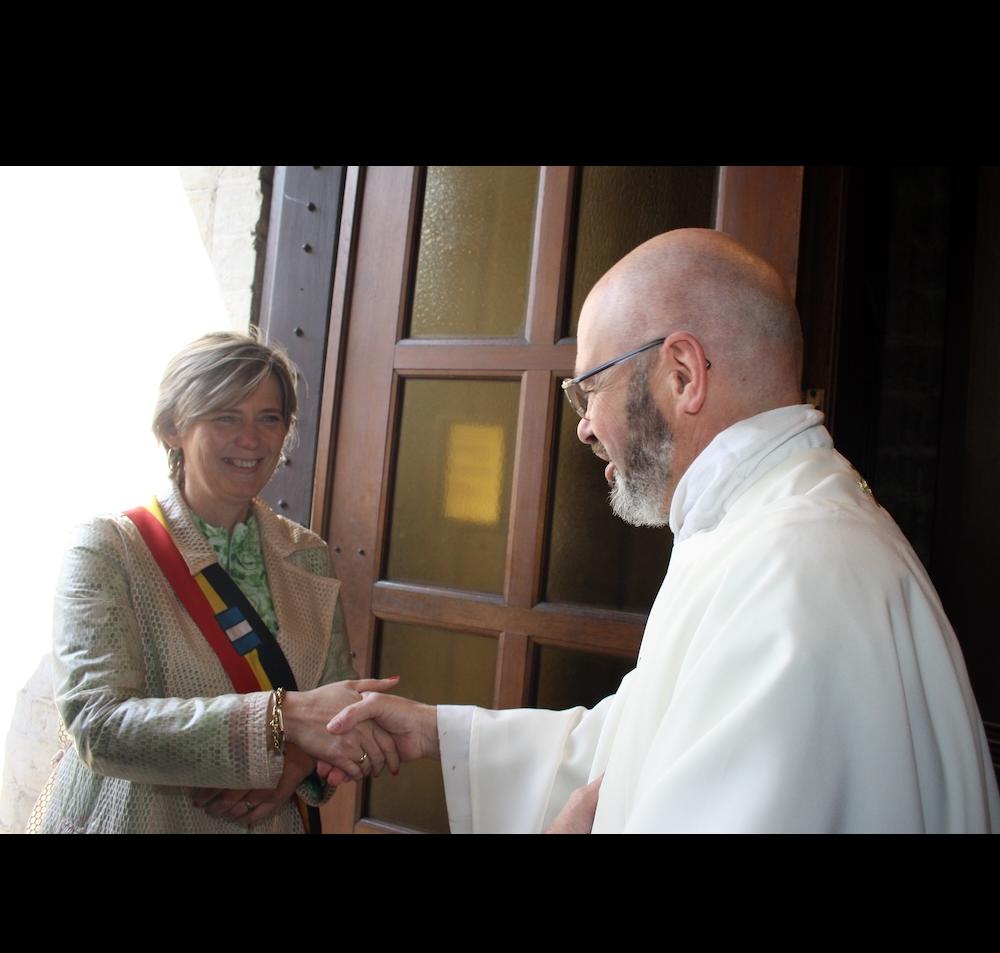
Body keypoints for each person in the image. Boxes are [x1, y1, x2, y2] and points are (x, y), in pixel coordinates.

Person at [322, 228, 1000, 834]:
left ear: (683, 374)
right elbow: (638, 742)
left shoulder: (793, 572)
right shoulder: (759, 529)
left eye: (591, 391)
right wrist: (439, 733)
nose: (585, 426)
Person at [33, 331, 399, 834]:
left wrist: (296, 764)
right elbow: (99, 726)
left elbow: (333, 707)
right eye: (225, 416)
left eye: (268, 418)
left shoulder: (307, 556)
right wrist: (281, 717)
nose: (251, 439)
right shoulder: (108, 548)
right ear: (171, 428)